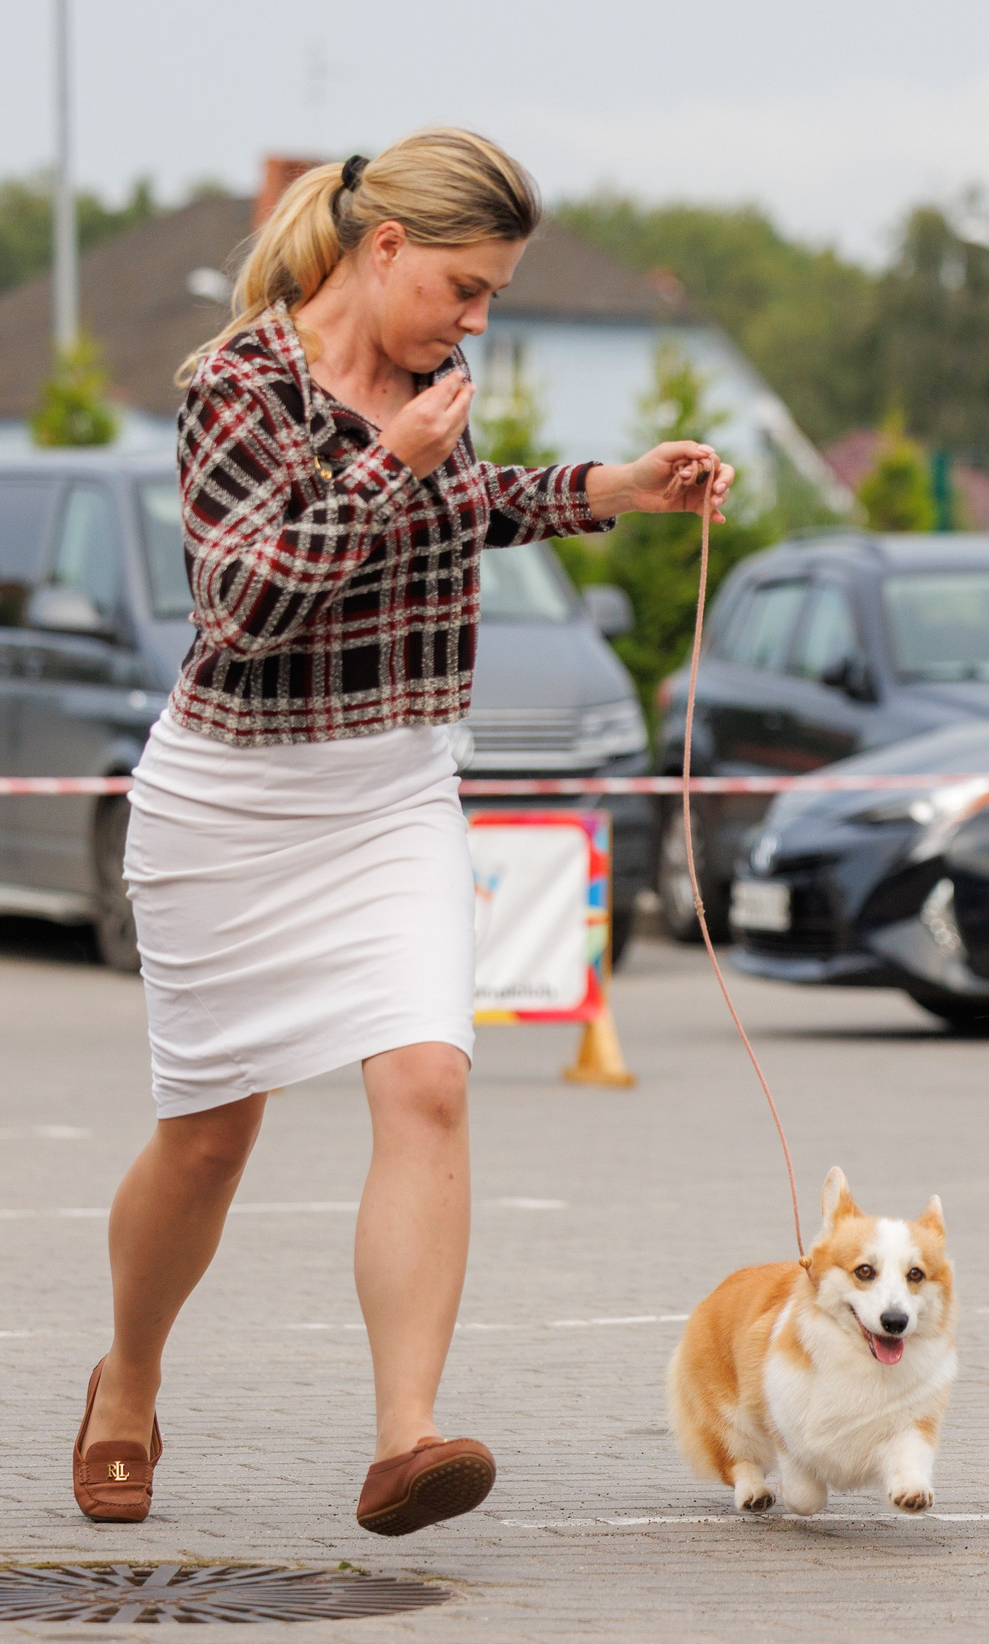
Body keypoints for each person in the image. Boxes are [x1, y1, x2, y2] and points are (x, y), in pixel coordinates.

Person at [71, 127, 732, 1536]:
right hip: (232, 802)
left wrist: (614, 488)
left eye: (492, 294)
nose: (476, 321)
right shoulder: (234, 387)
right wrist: (379, 465)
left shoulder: (435, 383)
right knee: (209, 1141)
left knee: (428, 1082)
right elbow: (241, 606)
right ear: (382, 252)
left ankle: (406, 1441)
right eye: (465, 286)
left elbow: (461, 505)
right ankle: (126, 1380)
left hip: (392, 795)